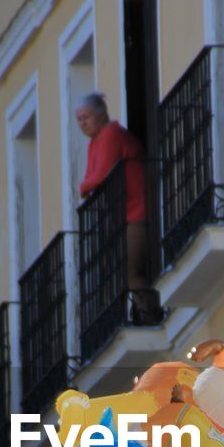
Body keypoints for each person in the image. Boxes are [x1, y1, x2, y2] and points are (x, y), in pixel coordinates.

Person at [76, 92, 163, 326]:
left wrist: (84, 186)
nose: (82, 123)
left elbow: (98, 176)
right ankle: (144, 314)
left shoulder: (111, 134)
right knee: (126, 273)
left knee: (132, 272)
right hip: (125, 217)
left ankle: (151, 317)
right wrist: (87, 184)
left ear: (101, 115)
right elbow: (91, 178)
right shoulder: (95, 143)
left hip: (137, 212)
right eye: (79, 120)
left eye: (86, 117)